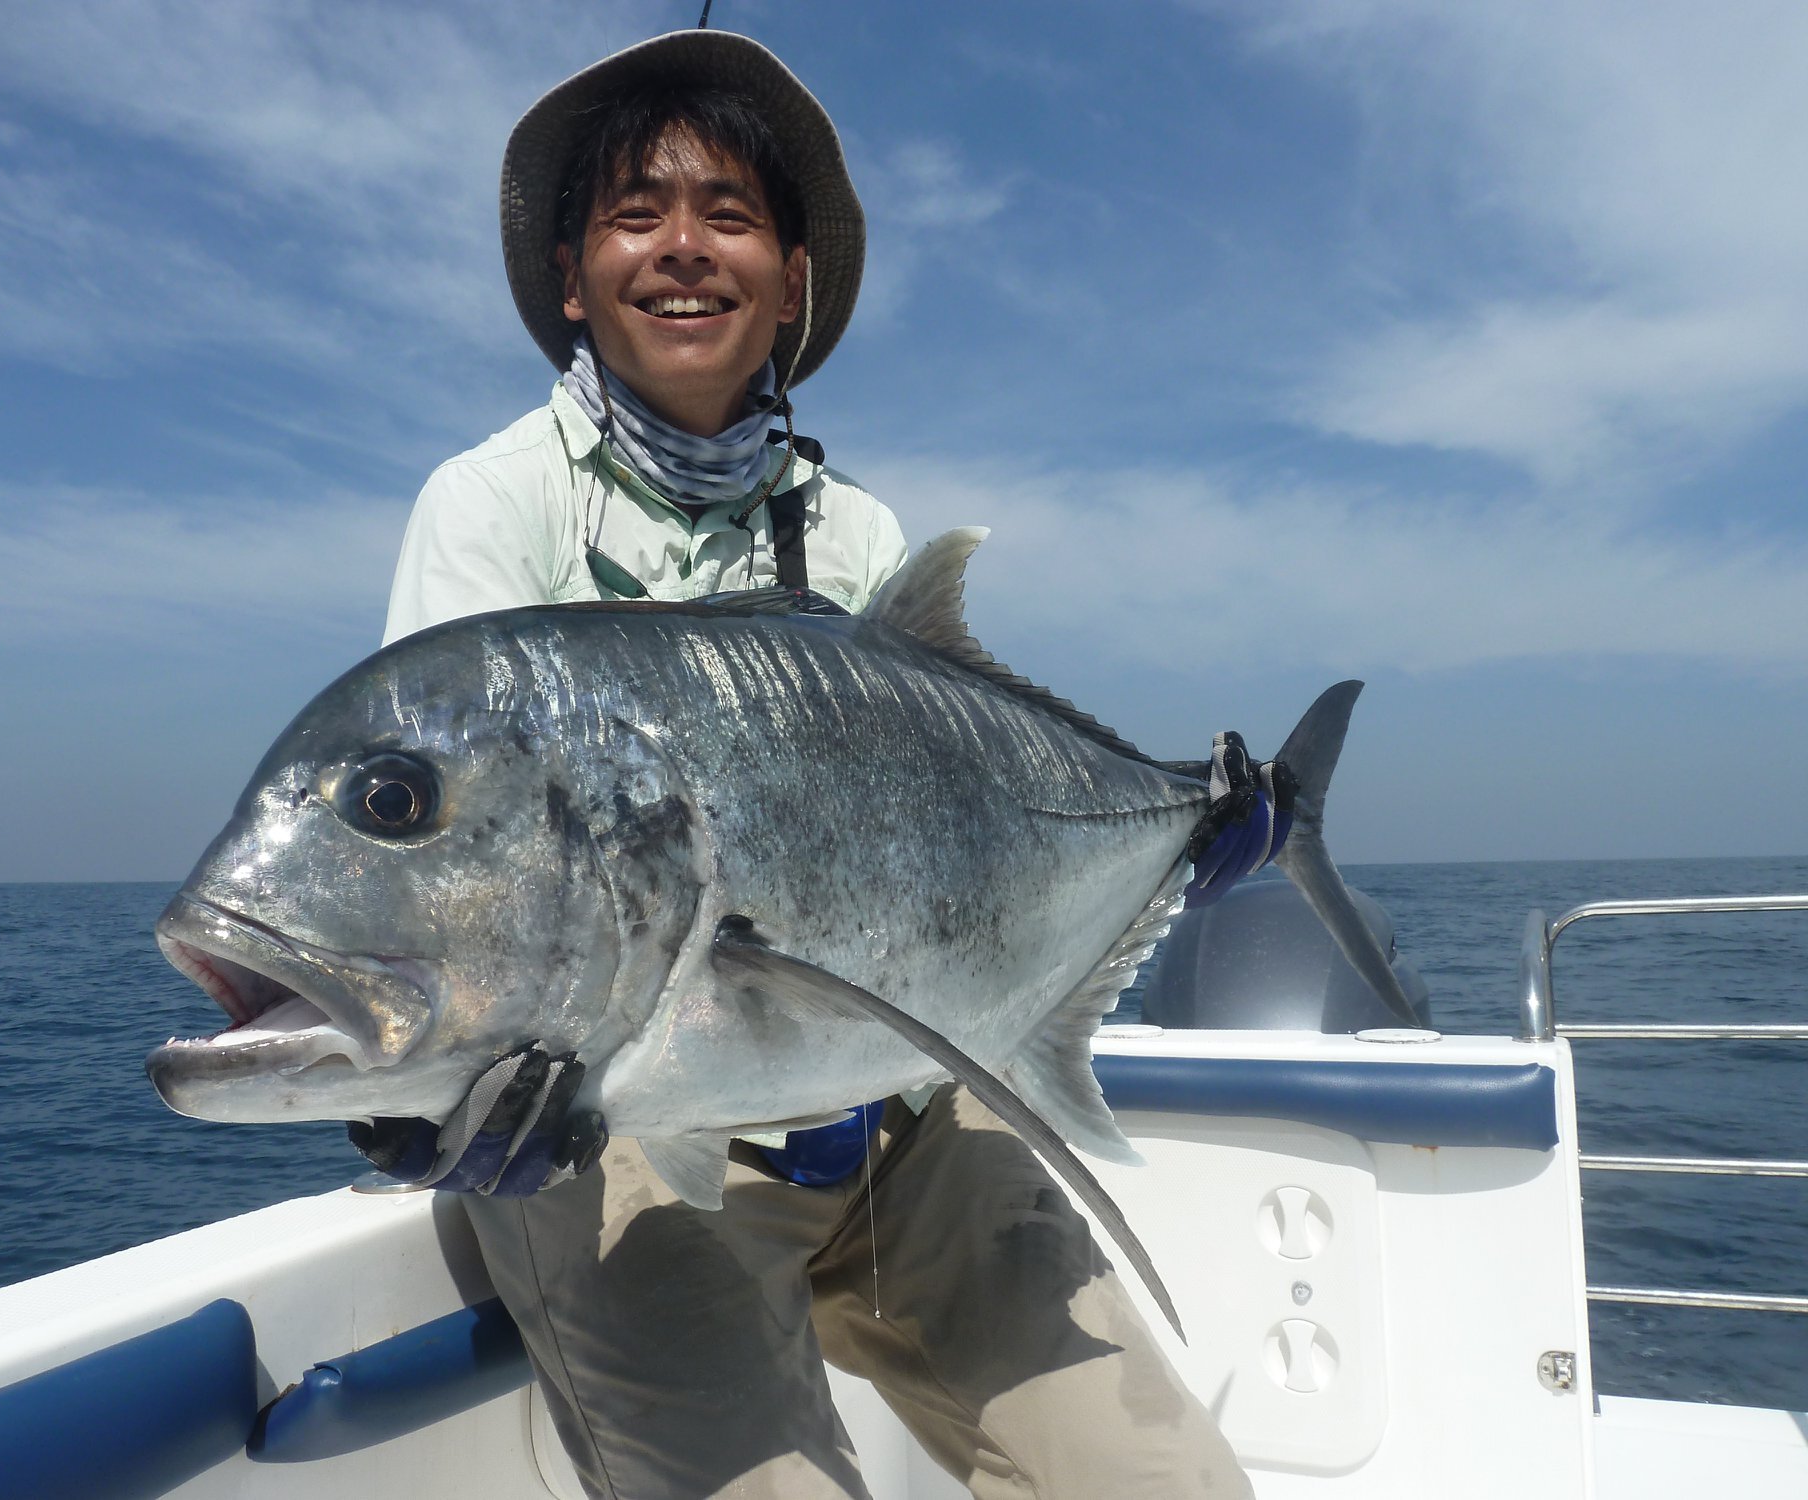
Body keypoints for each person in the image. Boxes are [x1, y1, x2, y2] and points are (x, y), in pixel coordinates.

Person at [368, 28, 1261, 1500]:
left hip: (903, 1101)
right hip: (629, 1141)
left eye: (727, 214)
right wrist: (424, 1101)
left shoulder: (851, 537)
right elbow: (457, 865)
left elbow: (969, 829)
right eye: (634, 215)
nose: (681, 250)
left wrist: (1171, 831)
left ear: (792, 283)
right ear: (571, 279)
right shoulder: (492, 509)